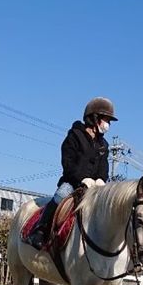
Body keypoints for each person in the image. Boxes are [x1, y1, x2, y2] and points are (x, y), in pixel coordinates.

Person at [26, 97, 118, 249]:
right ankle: (40, 230)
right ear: (94, 118)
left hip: (95, 186)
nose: (108, 125)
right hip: (73, 182)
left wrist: (101, 179)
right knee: (60, 195)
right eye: (106, 120)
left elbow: (104, 166)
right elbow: (68, 164)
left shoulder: (104, 144)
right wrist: (83, 178)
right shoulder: (74, 137)